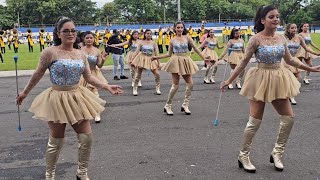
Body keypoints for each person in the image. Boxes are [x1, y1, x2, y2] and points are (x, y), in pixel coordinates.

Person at [16, 17, 123, 180]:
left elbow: (89, 77)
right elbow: (37, 74)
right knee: (57, 140)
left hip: (77, 97)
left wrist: (107, 86)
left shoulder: (81, 54)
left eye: (73, 30)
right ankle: (50, 174)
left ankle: (82, 172)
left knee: (86, 138)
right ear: (58, 33)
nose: (70, 33)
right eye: (66, 30)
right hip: (57, 98)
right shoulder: (50, 52)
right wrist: (24, 93)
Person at [220, 5, 320, 173]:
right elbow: (243, 62)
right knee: (255, 121)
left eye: (277, 16)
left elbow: (290, 60)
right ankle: (243, 155)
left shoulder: (281, 38)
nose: (275, 19)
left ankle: (277, 153)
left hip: (279, 78)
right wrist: (228, 80)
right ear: (262, 20)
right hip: (259, 79)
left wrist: (311, 69)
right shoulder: (255, 39)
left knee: (289, 118)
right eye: (271, 16)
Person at [152, 21, 209, 115]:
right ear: (175, 28)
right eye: (178, 27)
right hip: (175, 61)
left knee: (190, 84)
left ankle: (185, 105)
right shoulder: (172, 40)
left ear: (183, 28)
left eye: (181, 27)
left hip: (186, 60)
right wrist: (156, 57)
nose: (180, 29)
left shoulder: (187, 37)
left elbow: (196, 48)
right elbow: (169, 54)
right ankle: (168, 105)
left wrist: (204, 58)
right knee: (175, 85)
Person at [281, 23, 320, 105]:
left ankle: (289, 93)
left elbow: (306, 48)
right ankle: (290, 96)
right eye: (292, 28)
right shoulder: (283, 37)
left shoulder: (299, 38)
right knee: (288, 78)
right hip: (285, 60)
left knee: (298, 78)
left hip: (294, 60)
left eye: (295, 28)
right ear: (288, 29)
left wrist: (316, 53)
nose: (294, 29)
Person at [80, 31, 109, 123]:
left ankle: (97, 114)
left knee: (95, 94)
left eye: (91, 38)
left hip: (93, 74)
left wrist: (103, 60)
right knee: (82, 95)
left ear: (94, 39)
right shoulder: (79, 50)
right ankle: (84, 113)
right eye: (87, 38)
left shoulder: (96, 51)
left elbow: (99, 65)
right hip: (81, 75)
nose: (89, 39)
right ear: (84, 39)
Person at [131, 29, 161, 96]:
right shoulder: (141, 42)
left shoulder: (153, 43)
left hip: (151, 59)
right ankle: (135, 88)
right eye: (147, 33)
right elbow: (136, 51)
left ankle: (158, 88)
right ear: (145, 34)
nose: (149, 35)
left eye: (150, 33)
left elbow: (157, 53)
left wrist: (159, 62)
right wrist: (132, 60)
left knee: (157, 74)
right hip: (142, 58)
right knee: (138, 74)